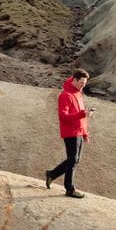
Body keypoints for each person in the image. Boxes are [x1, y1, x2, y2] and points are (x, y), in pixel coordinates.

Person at [44, 69, 90, 198]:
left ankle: (52, 174)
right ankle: (69, 189)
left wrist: (85, 132)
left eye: (85, 83)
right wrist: (82, 114)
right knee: (73, 160)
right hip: (70, 132)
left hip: (78, 132)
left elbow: (81, 115)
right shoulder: (65, 95)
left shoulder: (78, 93)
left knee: (74, 160)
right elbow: (63, 117)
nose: (83, 85)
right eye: (81, 82)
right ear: (74, 80)